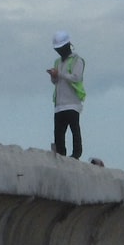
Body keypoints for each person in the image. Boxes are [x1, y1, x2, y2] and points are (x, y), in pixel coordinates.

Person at [46, 30, 86, 159]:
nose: (59, 51)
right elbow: (56, 82)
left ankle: (76, 154)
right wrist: (53, 76)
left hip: (72, 103)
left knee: (75, 130)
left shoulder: (77, 60)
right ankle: (61, 156)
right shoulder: (57, 62)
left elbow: (76, 77)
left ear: (68, 46)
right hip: (59, 104)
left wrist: (60, 75)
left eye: (61, 48)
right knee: (58, 134)